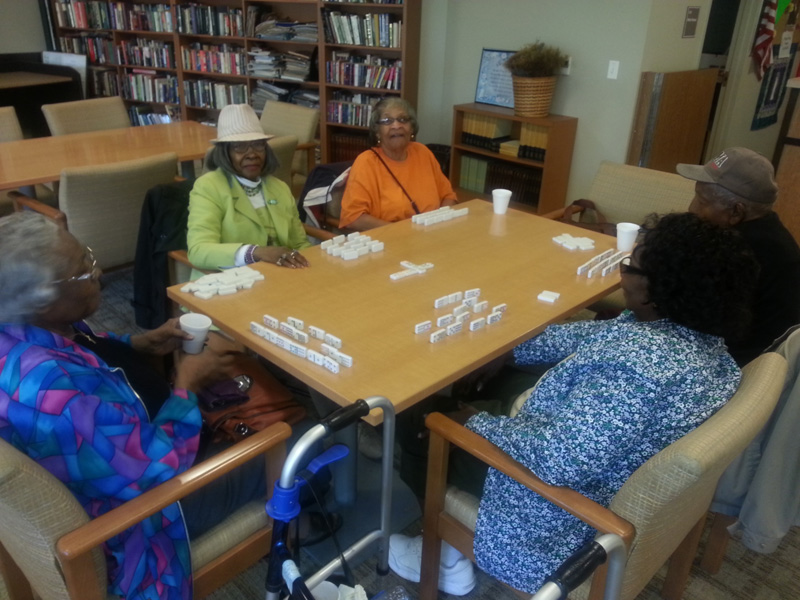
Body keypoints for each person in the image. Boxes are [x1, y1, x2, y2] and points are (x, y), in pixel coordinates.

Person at [389, 212, 760, 595]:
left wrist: (473, 422)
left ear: (653, 289)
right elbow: (590, 337)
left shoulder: (638, 370)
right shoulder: (698, 343)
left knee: (421, 416)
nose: (622, 271)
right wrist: (507, 351)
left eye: (629, 265)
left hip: (553, 506)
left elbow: (559, 462)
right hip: (592, 449)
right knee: (485, 380)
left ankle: (443, 556)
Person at [0, 212, 274, 599]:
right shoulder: (54, 397)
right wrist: (187, 384)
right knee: (289, 442)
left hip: (118, 465)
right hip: (140, 517)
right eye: (84, 271)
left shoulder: (23, 329)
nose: (98, 273)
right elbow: (153, 468)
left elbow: (87, 347)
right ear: (41, 299)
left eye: (89, 257)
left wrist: (139, 344)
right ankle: (296, 538)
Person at [677, 146, 800, 366]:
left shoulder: (735, 252)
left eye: (702, 201)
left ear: (736, 212)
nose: (691, 209)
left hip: (732, 365)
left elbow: (685, 315)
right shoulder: (768, 232)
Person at [188, 103, 311, 272]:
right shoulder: (208, 187)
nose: (252, 154)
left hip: (280, 278)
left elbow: (299, 244)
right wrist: (257, 252)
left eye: (258, 145)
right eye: (239, 147)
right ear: (224, 152)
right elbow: (198, 251)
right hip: (230, 281)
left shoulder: (279, 187)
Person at [338, 98, 457, 231]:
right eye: (387, 121)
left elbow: (448, 196)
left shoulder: (423, 152)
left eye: (403, 119)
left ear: (411, 128)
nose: (396, 126)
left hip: (432, 236)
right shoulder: (366, 163)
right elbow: (353, 218)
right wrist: (401, 232)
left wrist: (440, 223)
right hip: (390, 242)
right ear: (377, 131)